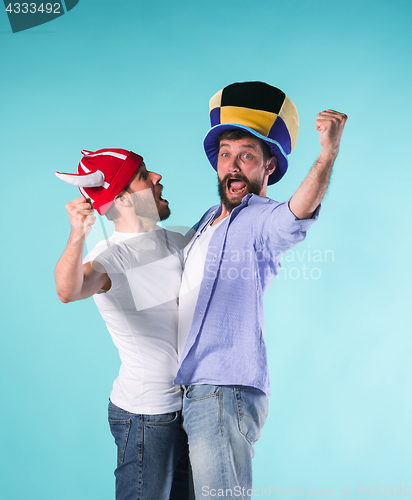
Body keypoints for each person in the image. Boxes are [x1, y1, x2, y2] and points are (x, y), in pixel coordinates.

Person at [175, 82, 348, 499]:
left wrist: (327, 155)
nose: (233, 166)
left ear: (268, 166)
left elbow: (295, 215)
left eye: (247, 156)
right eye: (226, 154)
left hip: (222, 390)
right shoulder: (205, 223)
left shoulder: (261, 219)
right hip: (185, 390)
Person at [54, 149, 192, 500]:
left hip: (188, 410)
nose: (157, 177)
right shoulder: (109, 257)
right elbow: (69, 290)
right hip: (145, 417)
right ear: (125, 199)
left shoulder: (176, 241)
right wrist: (76, 236)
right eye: (145, 175)